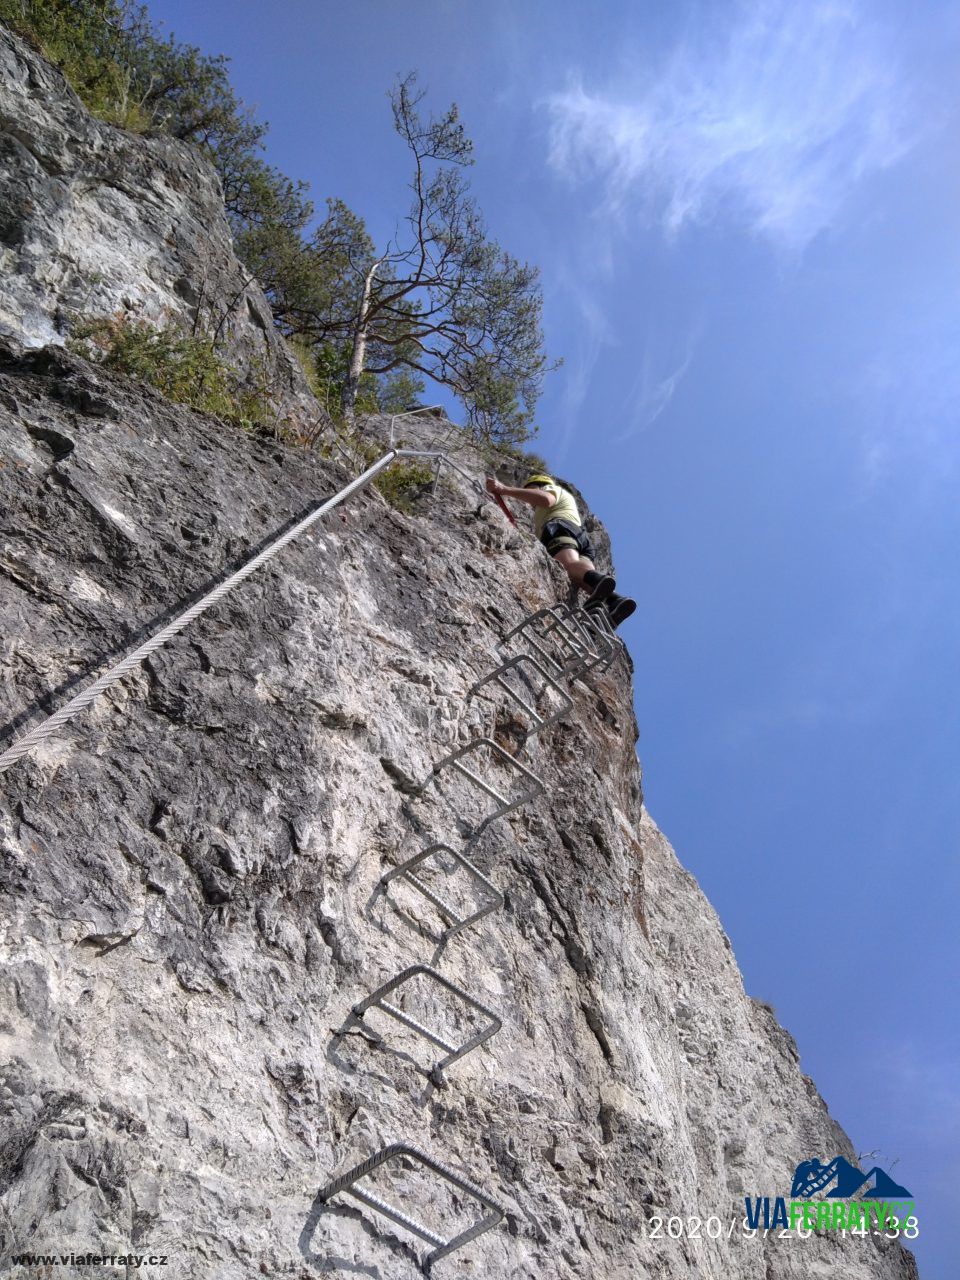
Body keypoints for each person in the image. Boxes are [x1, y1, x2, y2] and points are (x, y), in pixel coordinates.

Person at [485, 472, 636, 627]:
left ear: (539, 485)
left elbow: (546, 499)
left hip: (560, 528)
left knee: (568, 566)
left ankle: (601, 584)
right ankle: (614, 601)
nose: (530, 502)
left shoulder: (550, 490)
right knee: (582, 578)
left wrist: (504, 489)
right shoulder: (564, 502)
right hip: (578, 536)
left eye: (531, 489)